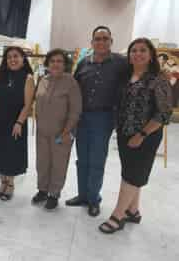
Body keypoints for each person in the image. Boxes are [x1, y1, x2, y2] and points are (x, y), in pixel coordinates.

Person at [99, 38, 172, 234]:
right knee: (132, 172)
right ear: (129, 56)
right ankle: (133, 210)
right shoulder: (126, 77)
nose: (137, 54)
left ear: (150, 56)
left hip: (146, 136)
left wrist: (142, 134)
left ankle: (118, 215)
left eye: (142, 50)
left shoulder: (158, 79)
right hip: (124, 133)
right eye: (134, 51)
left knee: (131, 175)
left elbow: (164, 113)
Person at [66, 26, 128, 217]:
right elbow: (73, 88)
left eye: (105, 38)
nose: (101, 42)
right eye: (97, 39)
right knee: (82, 158)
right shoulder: (84, 63)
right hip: (82, 117)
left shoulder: (121, 62)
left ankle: (94, 199)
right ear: (91, 42)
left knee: (97, 160)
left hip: (104, 117)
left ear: (111, 41)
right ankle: (83, 195)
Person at [32, 49, 82, 210]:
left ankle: (54, 194)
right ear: (47, 63)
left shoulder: (71, 82)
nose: (55, 64)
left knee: (58, 164)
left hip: (62, 132)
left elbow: (75, 110)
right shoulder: (42, 79)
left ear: (65, 64)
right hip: (42, 132)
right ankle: (42, 190)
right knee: (42, 162)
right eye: (52, 61)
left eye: (59, 61)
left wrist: (66, 131)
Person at [0, 46, 35, 201]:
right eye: (9, 57)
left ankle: (11, 184)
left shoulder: (28, 78)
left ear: (23, 58)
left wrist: (19, 122)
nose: (12, 60)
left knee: (12, 152)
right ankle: (3, 182)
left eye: (16, 56)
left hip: (16, 120)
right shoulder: (0, 74)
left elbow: (28, 105)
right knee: (0, 151)